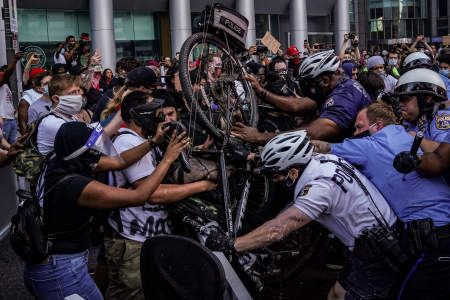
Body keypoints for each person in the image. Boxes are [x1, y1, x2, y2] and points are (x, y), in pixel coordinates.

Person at [206, 130, 398, 300]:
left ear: (294, 171)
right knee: (337, 294)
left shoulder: (319, 189)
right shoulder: (324, 160)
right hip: (376, 241)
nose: (277, 180)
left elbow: (277, 230)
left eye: (278, 175)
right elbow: (287, 159)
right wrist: (250, 157)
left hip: (377, 255)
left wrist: (232, 244)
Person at [23, 120, 190, 300]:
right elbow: (139, 196)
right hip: (59, 271)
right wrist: (168, 159)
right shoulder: (75, 186)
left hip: (58, 264)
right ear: (83, 151)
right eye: (92, 146)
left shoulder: (60, 159)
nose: (98, 150)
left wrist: (152, 142)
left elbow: (120, 161)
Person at [312, 102, 450, 300]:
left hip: (431, 238)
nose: (355, 132)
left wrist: (267, 142)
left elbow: (321, 147)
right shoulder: (406, 134)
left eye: (359, 127)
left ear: (377, 126)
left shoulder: (370, 144)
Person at [105, 91, 216, 300]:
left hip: (146, 237)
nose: (161, 117)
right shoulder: (128, 143)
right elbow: (152, 193)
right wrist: (202, 186)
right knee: (130, 294)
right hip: (133, 242)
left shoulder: (144, 140)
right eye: (154, 112)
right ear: (137, 115)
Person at [232, 50, 372, 143]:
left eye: (310, 85)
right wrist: (261, 92)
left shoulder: (344, 98)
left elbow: (312, 133)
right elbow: (298, 105)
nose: (307, 90)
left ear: (324, 80)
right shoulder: (336, 86)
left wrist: (259, 137)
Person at [0, 51, 23, 144]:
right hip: (3, 120)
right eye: (2, 71)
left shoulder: (6, 86)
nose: (5, 73)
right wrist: (15, 59)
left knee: (12, 148)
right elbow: (7, 74)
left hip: (11, 119)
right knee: (3, 148)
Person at [18, 69, 48, 134]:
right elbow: (23, 124)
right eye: (42, 78)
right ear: (33, 81)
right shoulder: (26, 99)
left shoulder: (48, 94)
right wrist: (29, 140)